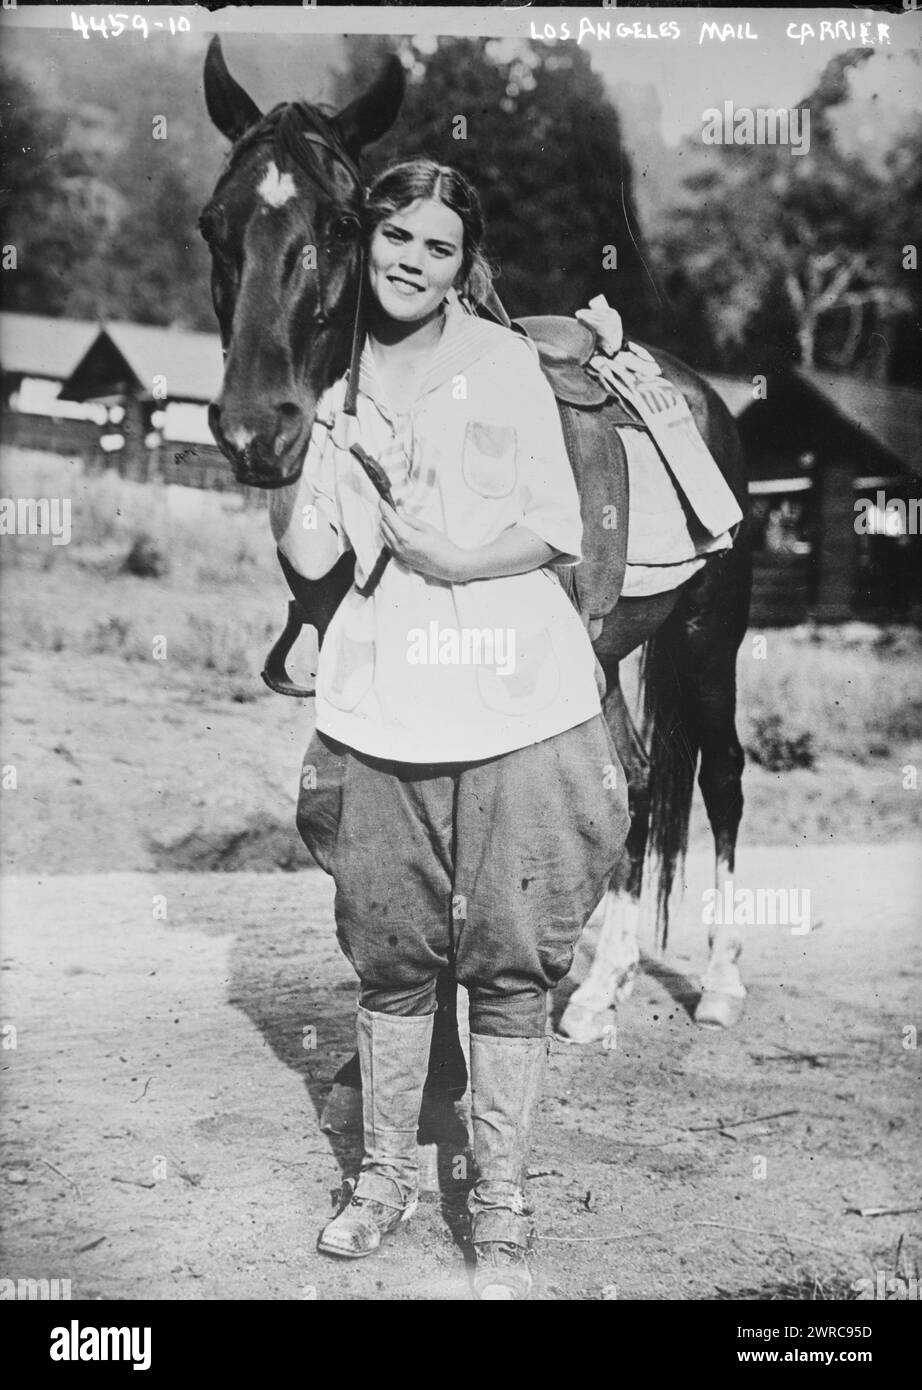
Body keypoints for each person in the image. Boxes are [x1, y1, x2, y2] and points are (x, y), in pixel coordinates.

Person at [270, 158, 630, 1300]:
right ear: (362, 241)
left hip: (517, 688)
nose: (409, 261)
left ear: (460, 259)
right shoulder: (330, 378)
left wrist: (452, 558)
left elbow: (552, 523)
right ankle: (382, 1178)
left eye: (434, 244)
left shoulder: (503, 362)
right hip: (383, 694)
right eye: (393, 237)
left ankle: (503, 1195)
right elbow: (314, 560)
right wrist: (293, 452)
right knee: (390, 951)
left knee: (512, 959)